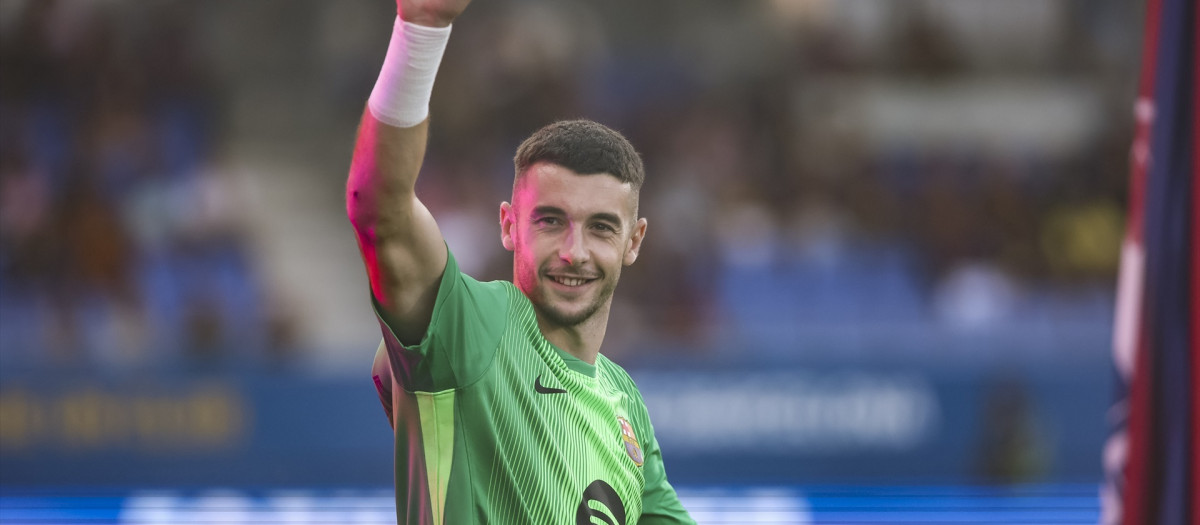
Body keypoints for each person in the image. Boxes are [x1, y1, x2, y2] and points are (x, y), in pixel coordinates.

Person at [345, 1, 695, 523]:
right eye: (551, 221)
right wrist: (422, 28)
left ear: (634, 240)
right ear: (509, 225)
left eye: (601, 226)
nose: (574, 251)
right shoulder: (472, 327)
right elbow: (380, 209)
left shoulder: (624, 400)